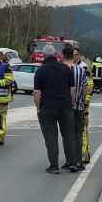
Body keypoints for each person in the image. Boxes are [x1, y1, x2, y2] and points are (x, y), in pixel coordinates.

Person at [33, 44, 77, 174]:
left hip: (48, 107)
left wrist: (38, 108)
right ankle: (72, 163)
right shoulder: (65, 69)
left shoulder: (40, 71)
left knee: (51, 137)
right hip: (65, 106)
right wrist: (72, 104)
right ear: (56, 55)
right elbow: (72, 90)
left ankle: (54, 166)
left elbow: (37, 93)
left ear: (44, 56)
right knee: (68, 135)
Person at [71, 46, 93, 167]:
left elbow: (89, 87)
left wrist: (86, 104)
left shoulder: (83, 67)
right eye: (72, 54)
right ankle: (76, 155)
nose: (74, 56)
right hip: (72, 105)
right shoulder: (69, 67)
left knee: (82, 130)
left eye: (75, 54)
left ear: (78, 55)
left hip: (82, 105)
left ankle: (84, 154)